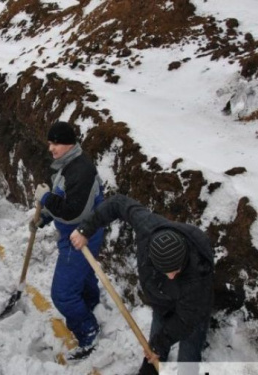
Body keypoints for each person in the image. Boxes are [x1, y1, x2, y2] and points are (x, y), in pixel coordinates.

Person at [69, 194, 214, 374]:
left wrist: (160, 344)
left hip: (193, 310)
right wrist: (85, 229)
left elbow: (186, 320)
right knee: (154, 351)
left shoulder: (198, 273)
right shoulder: (147, 227)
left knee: (188, 354)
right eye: (165, 271)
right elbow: (117, 203)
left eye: (176, 270)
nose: (170, 276)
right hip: (163, 302)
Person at [31, 121, 105, 361]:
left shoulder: (81, 171)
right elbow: (62, 199)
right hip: (71, 232)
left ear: (70, 143)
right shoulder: (65, 165)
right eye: (50, 142)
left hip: (82, 236)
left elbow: (74, 212)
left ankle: (88, 331)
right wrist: (44, 215)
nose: (51, 148)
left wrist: (46, 199)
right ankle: (90, 304)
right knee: (82, 277)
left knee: (62, 294)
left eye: (57, 143)